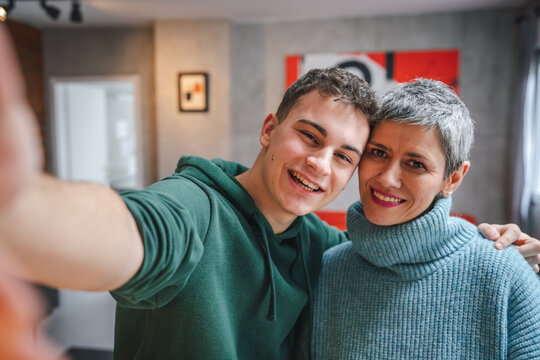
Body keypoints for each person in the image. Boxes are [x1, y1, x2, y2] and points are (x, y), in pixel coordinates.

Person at [0, 24, 538, 359]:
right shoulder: (193, 210)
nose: (320, 165)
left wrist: (506, 247)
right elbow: (126, 230)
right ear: (268, 130)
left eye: (346, 155)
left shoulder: (322, 248)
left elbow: (405, 254)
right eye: (309, 135)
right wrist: (17, 204)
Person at [312, 79, 540, 359]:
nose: (386, 178)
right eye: (378, 153)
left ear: (453, 179)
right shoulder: (327, 269)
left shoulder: (504, 272)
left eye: (416, 164)